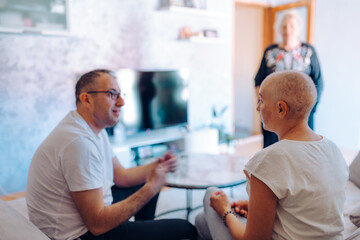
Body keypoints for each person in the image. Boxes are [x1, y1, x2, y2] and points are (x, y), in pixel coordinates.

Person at [26, 69, 197, 240]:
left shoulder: (92, 128)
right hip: (78, 235)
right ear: (86, 99)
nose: (121, 102)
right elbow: (97, 225)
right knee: (186, 229)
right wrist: (151, 188)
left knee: (145, 182)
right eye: (112, 94)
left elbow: (121, 177)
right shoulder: (79, 143)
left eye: (120, 94)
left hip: (88, 217)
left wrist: (156, 167)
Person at [195, 71, 348, 240]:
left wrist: (225, 209)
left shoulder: (270, 160)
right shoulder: (333, 149)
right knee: (200, 221)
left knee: (212, 194)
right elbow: (309, 203)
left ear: (281, 109)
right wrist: (257, 208)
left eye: (261, 100)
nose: (257, 107)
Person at [255, 10, 323, 148]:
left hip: (302, 114)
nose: (288, 30)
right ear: (279, 29)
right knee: (272, 150)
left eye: (292, 26)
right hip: (274, 112)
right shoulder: (270, 51)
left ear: (298, 29)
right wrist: (264, 106)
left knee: (302, 150)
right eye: (284, 26)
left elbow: (319, 82)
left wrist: (310, 109)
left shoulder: (308, 51)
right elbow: (258, 80)